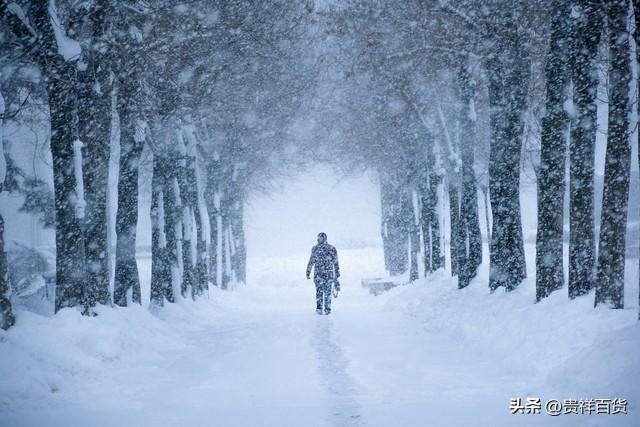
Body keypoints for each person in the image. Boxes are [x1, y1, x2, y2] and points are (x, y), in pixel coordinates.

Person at [306, 232, 340, 315]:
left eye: (319, 238)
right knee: (326, 293)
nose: (318, 240)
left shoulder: (315, 249)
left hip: (319, 275)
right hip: (328, 275)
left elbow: (311, 261)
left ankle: (320, 308)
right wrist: (337, 274)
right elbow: (336, 263)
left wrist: (308, 271)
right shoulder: (332, 249)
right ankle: (327, 309)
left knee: (319, 293)